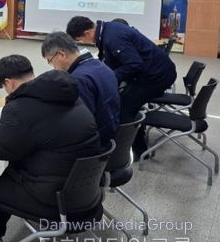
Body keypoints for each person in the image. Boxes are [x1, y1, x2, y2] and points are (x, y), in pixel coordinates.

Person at [0, 55, 100, 242]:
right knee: (10, 173)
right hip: (85, 192)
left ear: (9, 82)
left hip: (57, 201)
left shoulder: (22, 107)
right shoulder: (67, 95)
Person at [66, 16, 177, 158]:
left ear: (87, 33)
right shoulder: (108, 30)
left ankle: (137, 151)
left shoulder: (113, 38)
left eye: (80, 40)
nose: (83, 43)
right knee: (120, 97)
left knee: (124, 108)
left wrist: (110, 76)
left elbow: (135, 64)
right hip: (151, 72)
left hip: (157, 77)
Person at [41, 32, 120, 149]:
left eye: (50, 61)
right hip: (112, 132)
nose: (53, 67)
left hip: (95, 144)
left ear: (61, 54)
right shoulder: (101, 66)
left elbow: (82, 123)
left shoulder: (78, 79)